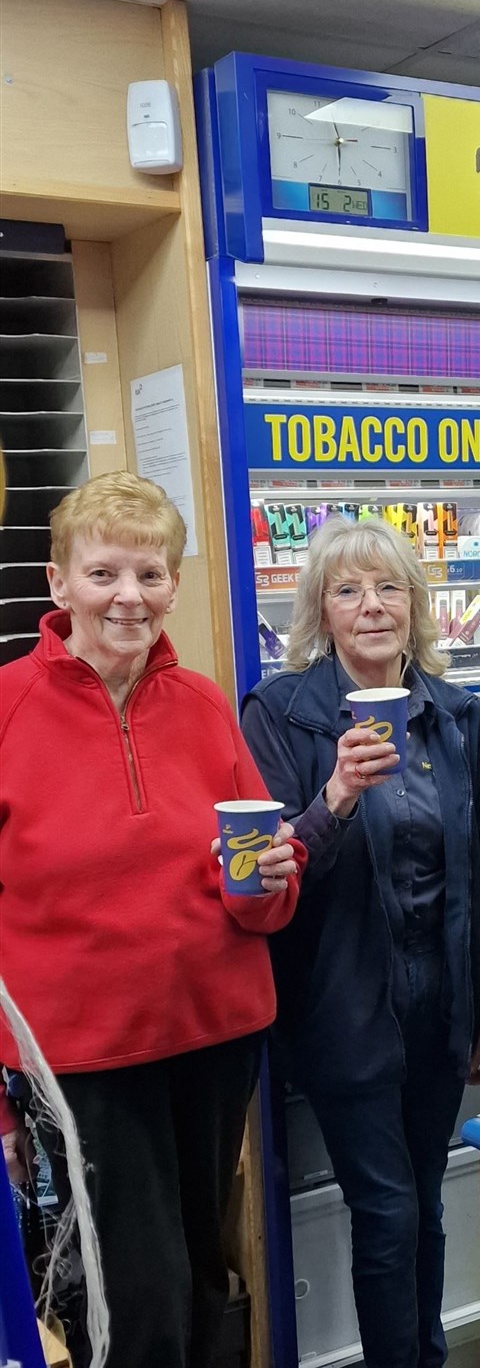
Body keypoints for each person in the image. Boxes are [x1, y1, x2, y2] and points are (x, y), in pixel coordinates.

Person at [0, 472, 304, 1368]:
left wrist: (271, 884)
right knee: (132, 1297)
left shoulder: (207, 704)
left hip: (215, 1041)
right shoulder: (7, 706)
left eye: (151, 574)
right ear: (59, 586)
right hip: (80, 1064)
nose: (129, 597)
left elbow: (264, 896)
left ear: (173, 583)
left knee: (207, 1276)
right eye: (103, 575)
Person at [240, 516, 480, 1368]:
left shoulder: (454, 714)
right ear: (320, 612)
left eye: (390, 587)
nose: (372, 607)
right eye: (348, 590)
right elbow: (265, 875)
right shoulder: (280, 717)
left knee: (426, 1206)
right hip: (342, 1017)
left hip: (440, 1009)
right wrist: (335, 799)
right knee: (390, 1211)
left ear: (417, 605)